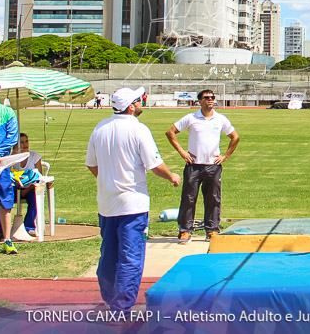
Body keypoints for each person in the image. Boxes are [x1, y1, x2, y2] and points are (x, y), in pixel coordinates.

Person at [86, 87, 180, 312]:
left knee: (108, 256)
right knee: (131, 257)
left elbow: (91, 164)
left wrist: (108, 180)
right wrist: (172, 176)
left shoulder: (100, 128)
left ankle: (110, 299)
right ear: (131, 106)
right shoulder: (139, 130)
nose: (141, 103)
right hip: (133, 204)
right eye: (139, 101)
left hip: (107, 203)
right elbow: (155, 165)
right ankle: (122, 306)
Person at [165, 89, 240, 244]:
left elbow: (235, 137)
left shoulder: (220, 119)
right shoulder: (191, 118)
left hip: (213, 165)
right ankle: (185, 231)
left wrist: (225, 156)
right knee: (188, 198)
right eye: (206, 98)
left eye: (212, 97)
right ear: (199, 101)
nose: (210, 100)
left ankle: (212, 229)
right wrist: (182, 152)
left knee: (213, 198)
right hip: (193, 165)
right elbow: (170, 132)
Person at [0, 85, 20, 254]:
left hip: (1, 164)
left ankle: (7, 239)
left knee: (6, 200)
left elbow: (12, 138)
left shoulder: (7, 112)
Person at [11, 133, 45, 237]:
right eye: (21, 142)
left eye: (26, 141)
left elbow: (39, 177)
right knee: (3, 199)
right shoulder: (12, 158)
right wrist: (14, 154)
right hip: (14, 187)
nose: (25, 144)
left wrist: (26, 190)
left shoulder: (35, 156)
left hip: (31, 188)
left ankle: (28, 227)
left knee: (35, 199)